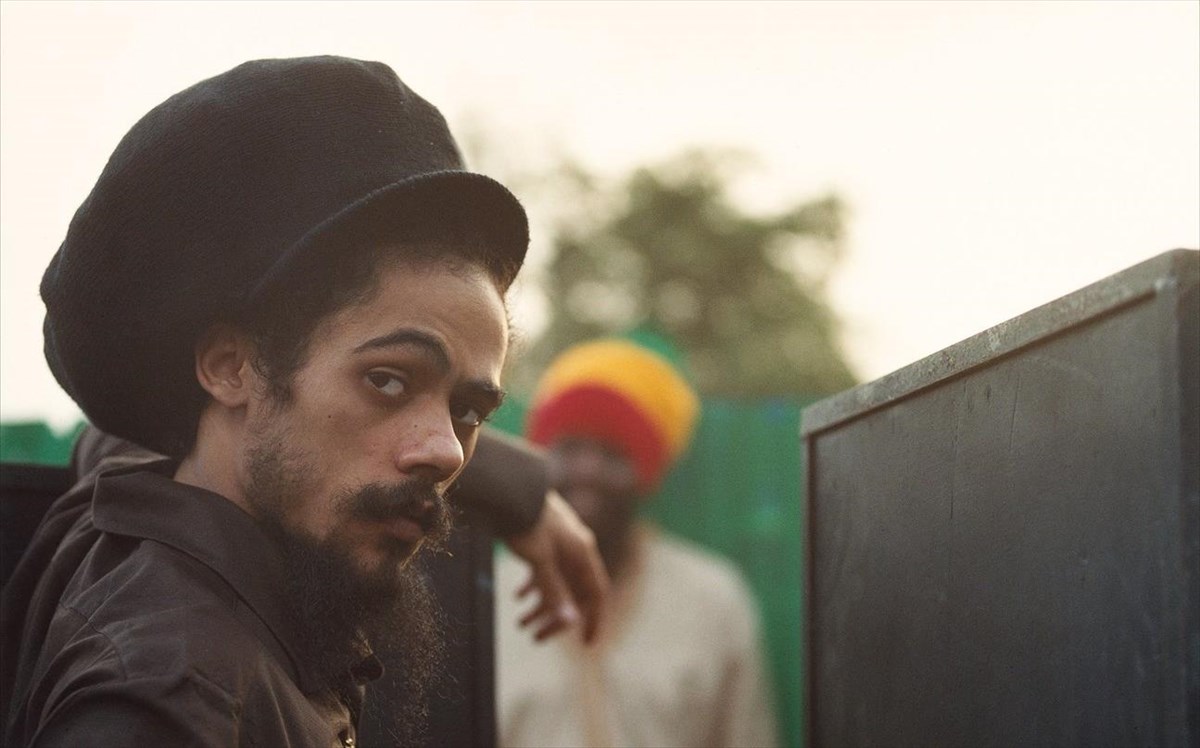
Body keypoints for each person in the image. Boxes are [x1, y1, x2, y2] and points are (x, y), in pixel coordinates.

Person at [1, 55, 607, 746]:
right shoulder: (168, 703)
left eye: (467, 411)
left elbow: (112, 440)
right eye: (388, 380)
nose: (447, 452)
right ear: (231, 368)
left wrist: (522, 488)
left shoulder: (121, 509)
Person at [496, 337, 779, 748]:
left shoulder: (713, 600)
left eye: (612, 453)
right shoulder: (488, 598)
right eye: (570, 447)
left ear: (648, 473)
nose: (587, 470)